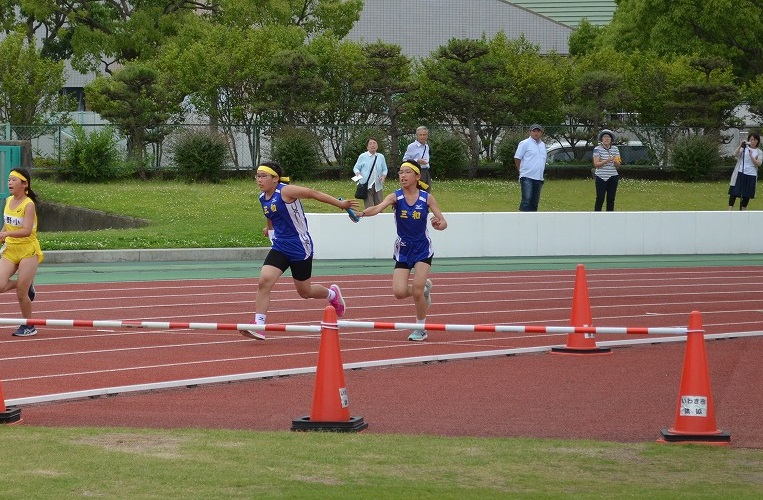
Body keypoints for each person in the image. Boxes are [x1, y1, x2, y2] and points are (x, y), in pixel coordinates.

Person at [239, 162, 359, 339]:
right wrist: (270, 231)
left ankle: (332, 294)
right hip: (280, 246)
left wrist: (340, 204)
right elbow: (270, 216)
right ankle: (259, 324)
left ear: (275, 179)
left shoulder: (286, 191)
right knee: (264, 281)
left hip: (299, 245)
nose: (259, 180)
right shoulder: (262, 197)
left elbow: (313, 193)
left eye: (264, 176)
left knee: (305, 292)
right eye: (257, 176)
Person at [358, 161, 448, 341]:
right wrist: (362, 214)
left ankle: (420, 328)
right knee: (399, 292)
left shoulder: (427, 198)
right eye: (400, 172)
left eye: (407, 172)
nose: (403, 176)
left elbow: (443, 222)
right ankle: (424, 288)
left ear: (417, 176)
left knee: (416, 291)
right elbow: (377, 208)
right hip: (403, 249)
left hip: (422, 249)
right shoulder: (395, 197)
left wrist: (439, 225)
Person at [0, 168, 42, 337]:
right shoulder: (8, 200)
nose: (9, 183)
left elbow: (27, 231)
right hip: (10, 249)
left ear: (24, 184)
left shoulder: (28, 204)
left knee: (21, 293)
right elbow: (7, 224)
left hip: (28, 250)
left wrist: (8, 234)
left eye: (13, 180)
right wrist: (2, 234)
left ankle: (29, 325)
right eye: (8, 179)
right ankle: (25, 283)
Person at [514, 124, 547, 212]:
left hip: (539, 177)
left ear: (541, 133)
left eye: (538, 131)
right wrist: (521, 171)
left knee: (535, 201)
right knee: (527, 199)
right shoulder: (525, 143)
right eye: (534, 131)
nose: (536, 133)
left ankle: (533, 218)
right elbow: (517, 158)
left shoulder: (542, 145)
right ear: (530, 132)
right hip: (527, 176)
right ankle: (524, 218)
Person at [728, 132, 762, 211]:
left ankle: (743, 211)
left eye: (755, 140)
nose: (753, 141)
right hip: (740, 172)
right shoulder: (744, 149)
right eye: (751, 139)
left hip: (751, 174)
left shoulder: (759, 152)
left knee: (746, 194)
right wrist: (740, 145)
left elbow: (758, 164)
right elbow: (735, 154)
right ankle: (730, 210)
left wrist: (751, 156)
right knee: (734, 191)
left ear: (757, 141)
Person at [353, 137, 389, 208]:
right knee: (369, 207)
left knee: (379, 206)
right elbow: (356, 168)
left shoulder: (381, 157)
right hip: (366, 185)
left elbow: (385, 169)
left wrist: (383, 176)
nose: (373, 145)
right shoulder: (363, 156)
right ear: (367, 147)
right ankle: (369, 215)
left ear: (377, 146)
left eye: (374, 143)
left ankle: (379, 216)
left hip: (378, 184)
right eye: (370, 144)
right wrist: (357, 173)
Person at [592, 129, 622, 211]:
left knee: (611, 199)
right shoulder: (597, 149)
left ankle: (610, 216)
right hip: (601, 176)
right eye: (604, 137)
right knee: (600, 198)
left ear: (611, 139)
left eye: (608, 137)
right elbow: (596, 164)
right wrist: (607, 160)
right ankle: (597, 215)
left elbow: (618, 165)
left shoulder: (615, 149)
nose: (606, 139)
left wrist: (614, 160)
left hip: (613, 176)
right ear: (602, 139)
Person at [403, 126, 432, 192]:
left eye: (424, 135)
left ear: (427, 135)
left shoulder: (426, 146)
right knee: (417, 192)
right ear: (417, 135)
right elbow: (405, 160)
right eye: (420, 135)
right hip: (416, 171)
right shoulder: (412, 146)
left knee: (426, 192)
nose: (422, 137)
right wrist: (417, 161)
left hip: (426, 171)